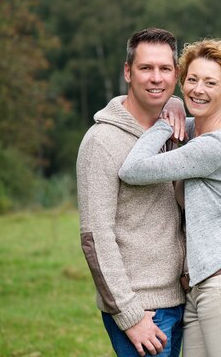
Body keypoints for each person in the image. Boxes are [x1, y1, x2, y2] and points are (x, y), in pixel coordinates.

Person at [119, 38, 221, 356]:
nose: (198, 89)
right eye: (192, 79)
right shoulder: (193, 132)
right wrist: (172, 105)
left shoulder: (215, 146)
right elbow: (180, 124)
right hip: (203, 288)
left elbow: (133, 169)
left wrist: (164, 120)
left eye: (210, 82)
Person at [77, 27, 189, 357]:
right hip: (144, 312)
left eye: (165, 69)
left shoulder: (174, 130)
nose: (156, 78)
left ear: (176, 74)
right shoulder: (100, 143)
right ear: (128, 72)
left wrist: (176, 105)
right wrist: (129, 315)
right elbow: (94, 237)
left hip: (184, 302)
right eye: (145, 68)